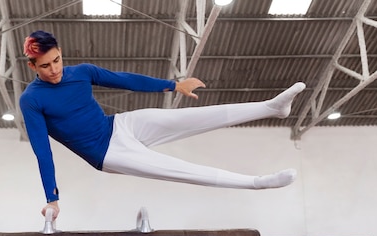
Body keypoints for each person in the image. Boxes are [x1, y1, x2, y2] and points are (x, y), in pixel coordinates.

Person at [19, 30, 306, 220]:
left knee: (189, 118)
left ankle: (271, 107)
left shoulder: (81, 72)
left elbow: (124, 79)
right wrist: (52, 199)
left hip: (120, 125)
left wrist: (173, 85)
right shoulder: (31, 100)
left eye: (57, 60)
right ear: (32, 66)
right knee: (178, 169)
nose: (55, 69)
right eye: (45, 66)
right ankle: (255, 183)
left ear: (60, 52)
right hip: (107, 154)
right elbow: (43, 152)